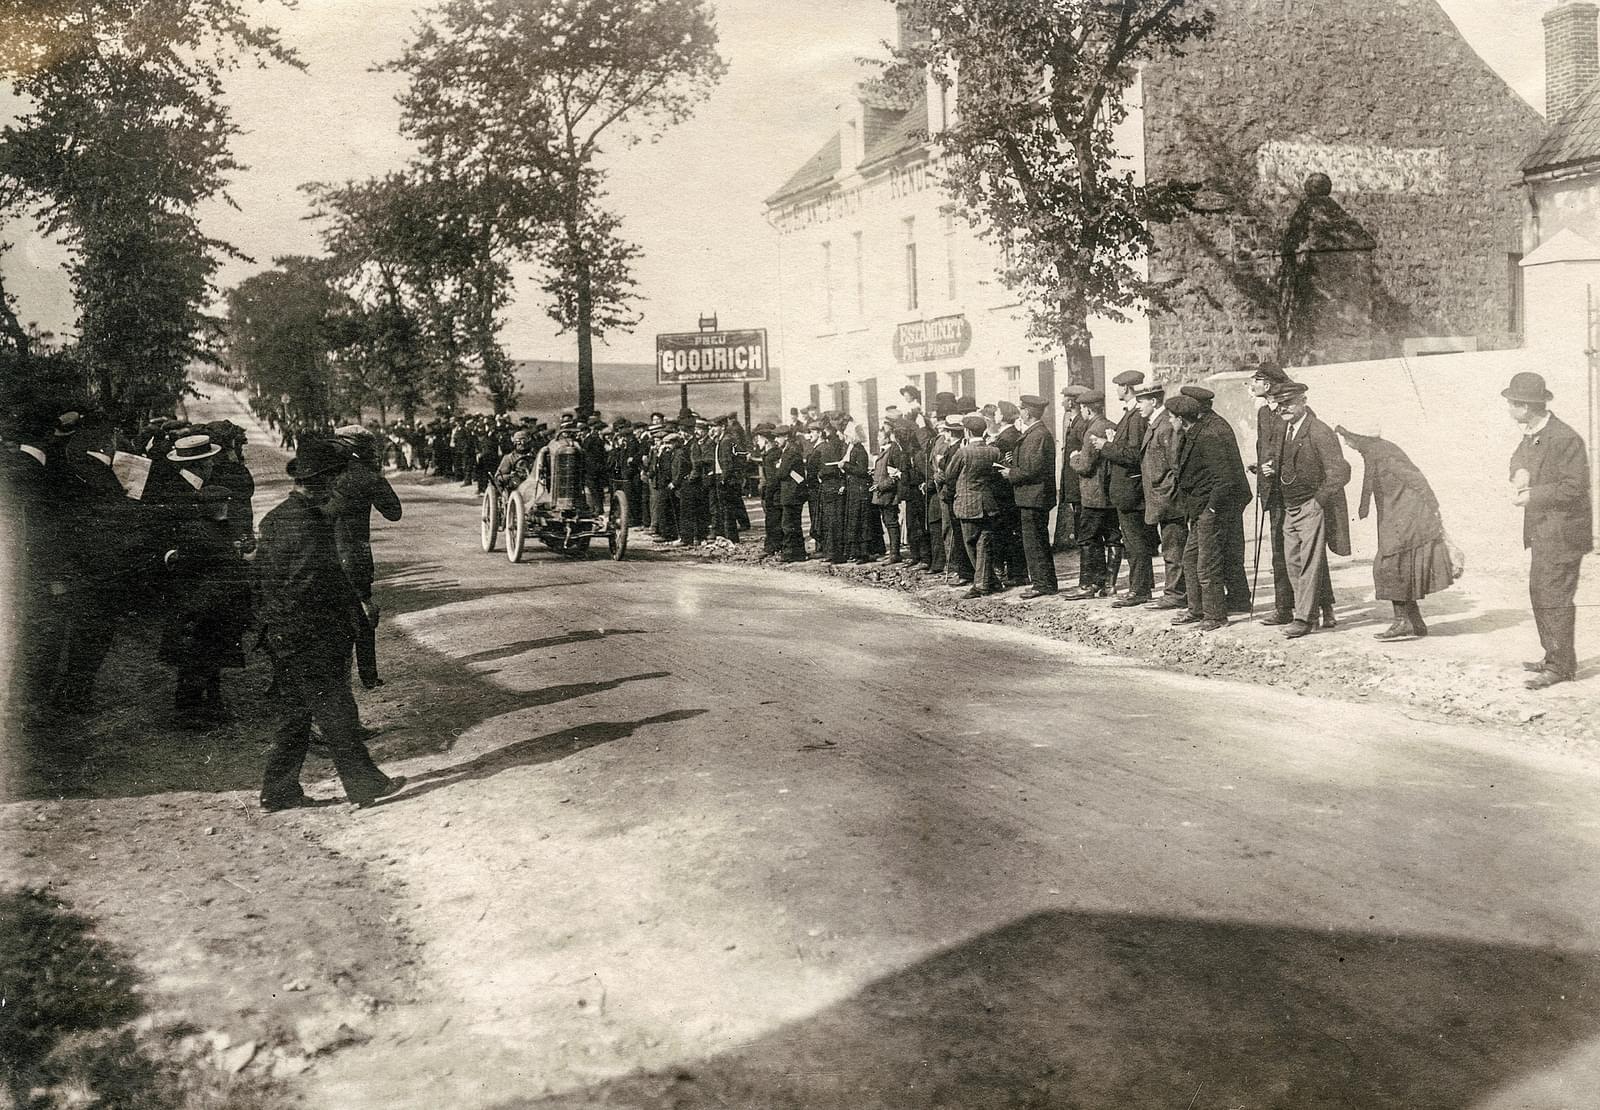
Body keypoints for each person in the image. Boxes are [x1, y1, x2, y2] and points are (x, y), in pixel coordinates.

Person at [254, 439, 406, 811]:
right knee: (338, 713)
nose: (337, 485)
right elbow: (313, 586)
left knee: (295, 714)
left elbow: (263, 580)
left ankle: (279, 791)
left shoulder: (276, 517)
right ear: (322, 480)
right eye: (334, 478)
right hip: (311, 636)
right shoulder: (311, 524)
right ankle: (365, 785)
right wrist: (354, 612)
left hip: (282, 634)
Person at [1504, 371, 1592, 690]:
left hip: (1564, 534)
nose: (1509, 409)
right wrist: (1520, 471)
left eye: (1512, 403)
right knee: (1541, 592)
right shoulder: (1534, 432)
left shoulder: (1564, 437)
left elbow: (1575, 487)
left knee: (1554, 596)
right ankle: (1552, 655)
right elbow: (1518, 458)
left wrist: (1534, 495)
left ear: (1526, 406)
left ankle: (1560, 666)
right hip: (1544, 531)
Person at [1334, 421, 1454, 641]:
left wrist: (1433, 509)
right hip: (1395, 513)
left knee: (1389, 565)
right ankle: (1415, 620)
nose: (1345, 441)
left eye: (1347, 436)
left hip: (1407, 514)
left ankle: (1403, 621)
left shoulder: (1386, 454)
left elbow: (1416, 479)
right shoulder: (1373, 451)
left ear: (1359, 436)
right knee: (1399, 565)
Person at [1268, 380, 1351, 639]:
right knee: (1293, 562)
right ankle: (1314, 611)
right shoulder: (1285, 429)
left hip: (1311, 506)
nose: (1284, 408)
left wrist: (1318, 501)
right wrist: (1274, 469)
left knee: (1309, 564)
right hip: (1289, 506)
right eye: (1280, 404)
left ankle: (1304, 618)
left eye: (1289, 403)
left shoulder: (1318, 431)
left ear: (1303, 401)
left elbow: (1340, 471)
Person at [1170, 394, 1254, 631]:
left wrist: (1211, 509)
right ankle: (1197, 610)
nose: (1169, 422)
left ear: (1180, 419)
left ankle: (1215, 615)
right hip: (1201, 509)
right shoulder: (1194, 433)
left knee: (1208, 563)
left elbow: (1224, 479)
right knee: (1191, 558)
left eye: (1171, 417)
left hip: (1212, 509)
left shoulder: (1207, 436)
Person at [329, 426, 403, 689]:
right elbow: (394, 512)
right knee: (362, 614)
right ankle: (368, 677)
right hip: (354, 552)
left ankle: (334, 678)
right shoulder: (367, 477)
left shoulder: (321, 472)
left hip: (320, 551)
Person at [1092, 370, 1156, 606]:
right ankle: (1143, 585)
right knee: (1136, 539)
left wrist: (1105, 446)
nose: (1117, 390)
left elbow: (1133, 454)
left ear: (1126, 388)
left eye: (1118, 386)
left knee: (1135, 541)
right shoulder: (1132, 414)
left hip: (1130, 489)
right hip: (1128, 488)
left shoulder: (1136, 416)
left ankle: (1139, 590)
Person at [999, 394, 1058, 597]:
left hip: (1035, 497)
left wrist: (1010, 473)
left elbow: (1033, 469)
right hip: (1031, 496)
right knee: (1034, 541)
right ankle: (1042, 582)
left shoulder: (1038, 435)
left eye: (1022, 410)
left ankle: (1044, 584)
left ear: (1029, 413)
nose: (1020, 413)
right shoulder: (1035, 433)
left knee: (1036, 543)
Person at [946, 413, 1006, 598]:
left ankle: (981, 585)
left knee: (971, 543)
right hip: (989, 503)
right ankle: (990, 581)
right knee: (984, 543)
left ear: (967, 431)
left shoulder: (963, 452)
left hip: (967, 504)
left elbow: (949, 475)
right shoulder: (994, 451)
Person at [1064, 390, 1116, 599]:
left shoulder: (1091, 430)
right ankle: (1109, 585)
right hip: (1111, 493)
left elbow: (1085, 466)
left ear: (1086, 409)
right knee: (1113, 537)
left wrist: (1073, 458)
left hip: (1093, 495)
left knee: (1087, 539)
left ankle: (1088, 585)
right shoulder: (1111, 425)